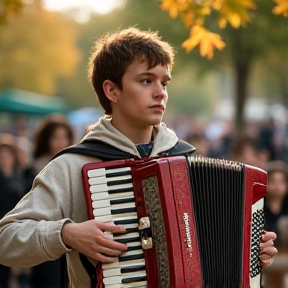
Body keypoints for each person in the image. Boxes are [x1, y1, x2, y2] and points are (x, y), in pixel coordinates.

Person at [0, 27, 278, 287]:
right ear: (112, 91)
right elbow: (6, 240)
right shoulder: (71, 166)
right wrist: (66, 234)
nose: (160, 93)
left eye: (164, 82)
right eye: (146, 80)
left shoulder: (189, 160)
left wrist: (251, 251)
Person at [23, 114, 75, 288]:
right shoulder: (33, 170)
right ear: (46, 140)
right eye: (56, 138)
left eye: (65, 137)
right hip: (44, 242)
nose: (61, 142)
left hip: (72, 243)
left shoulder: (75, 168)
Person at [0, 135, 27, 288]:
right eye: (1, 156)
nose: (4, 159)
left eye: (7, 156)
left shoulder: (20, 176)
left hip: (17, 228)